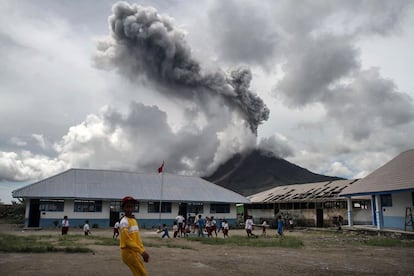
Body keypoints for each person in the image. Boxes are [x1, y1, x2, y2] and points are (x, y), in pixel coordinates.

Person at [119, 196, 149, 276]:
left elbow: (137, 239)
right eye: (127, 207)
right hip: (128, 252)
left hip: (135, 252)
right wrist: (141, 251)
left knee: (139, 273)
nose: (129, 209)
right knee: (142, 274)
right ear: (123, 208)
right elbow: (127, 241)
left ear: (134, 208)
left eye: (131, 207)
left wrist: (142, 250)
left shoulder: (133, 220)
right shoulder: (124, 222)